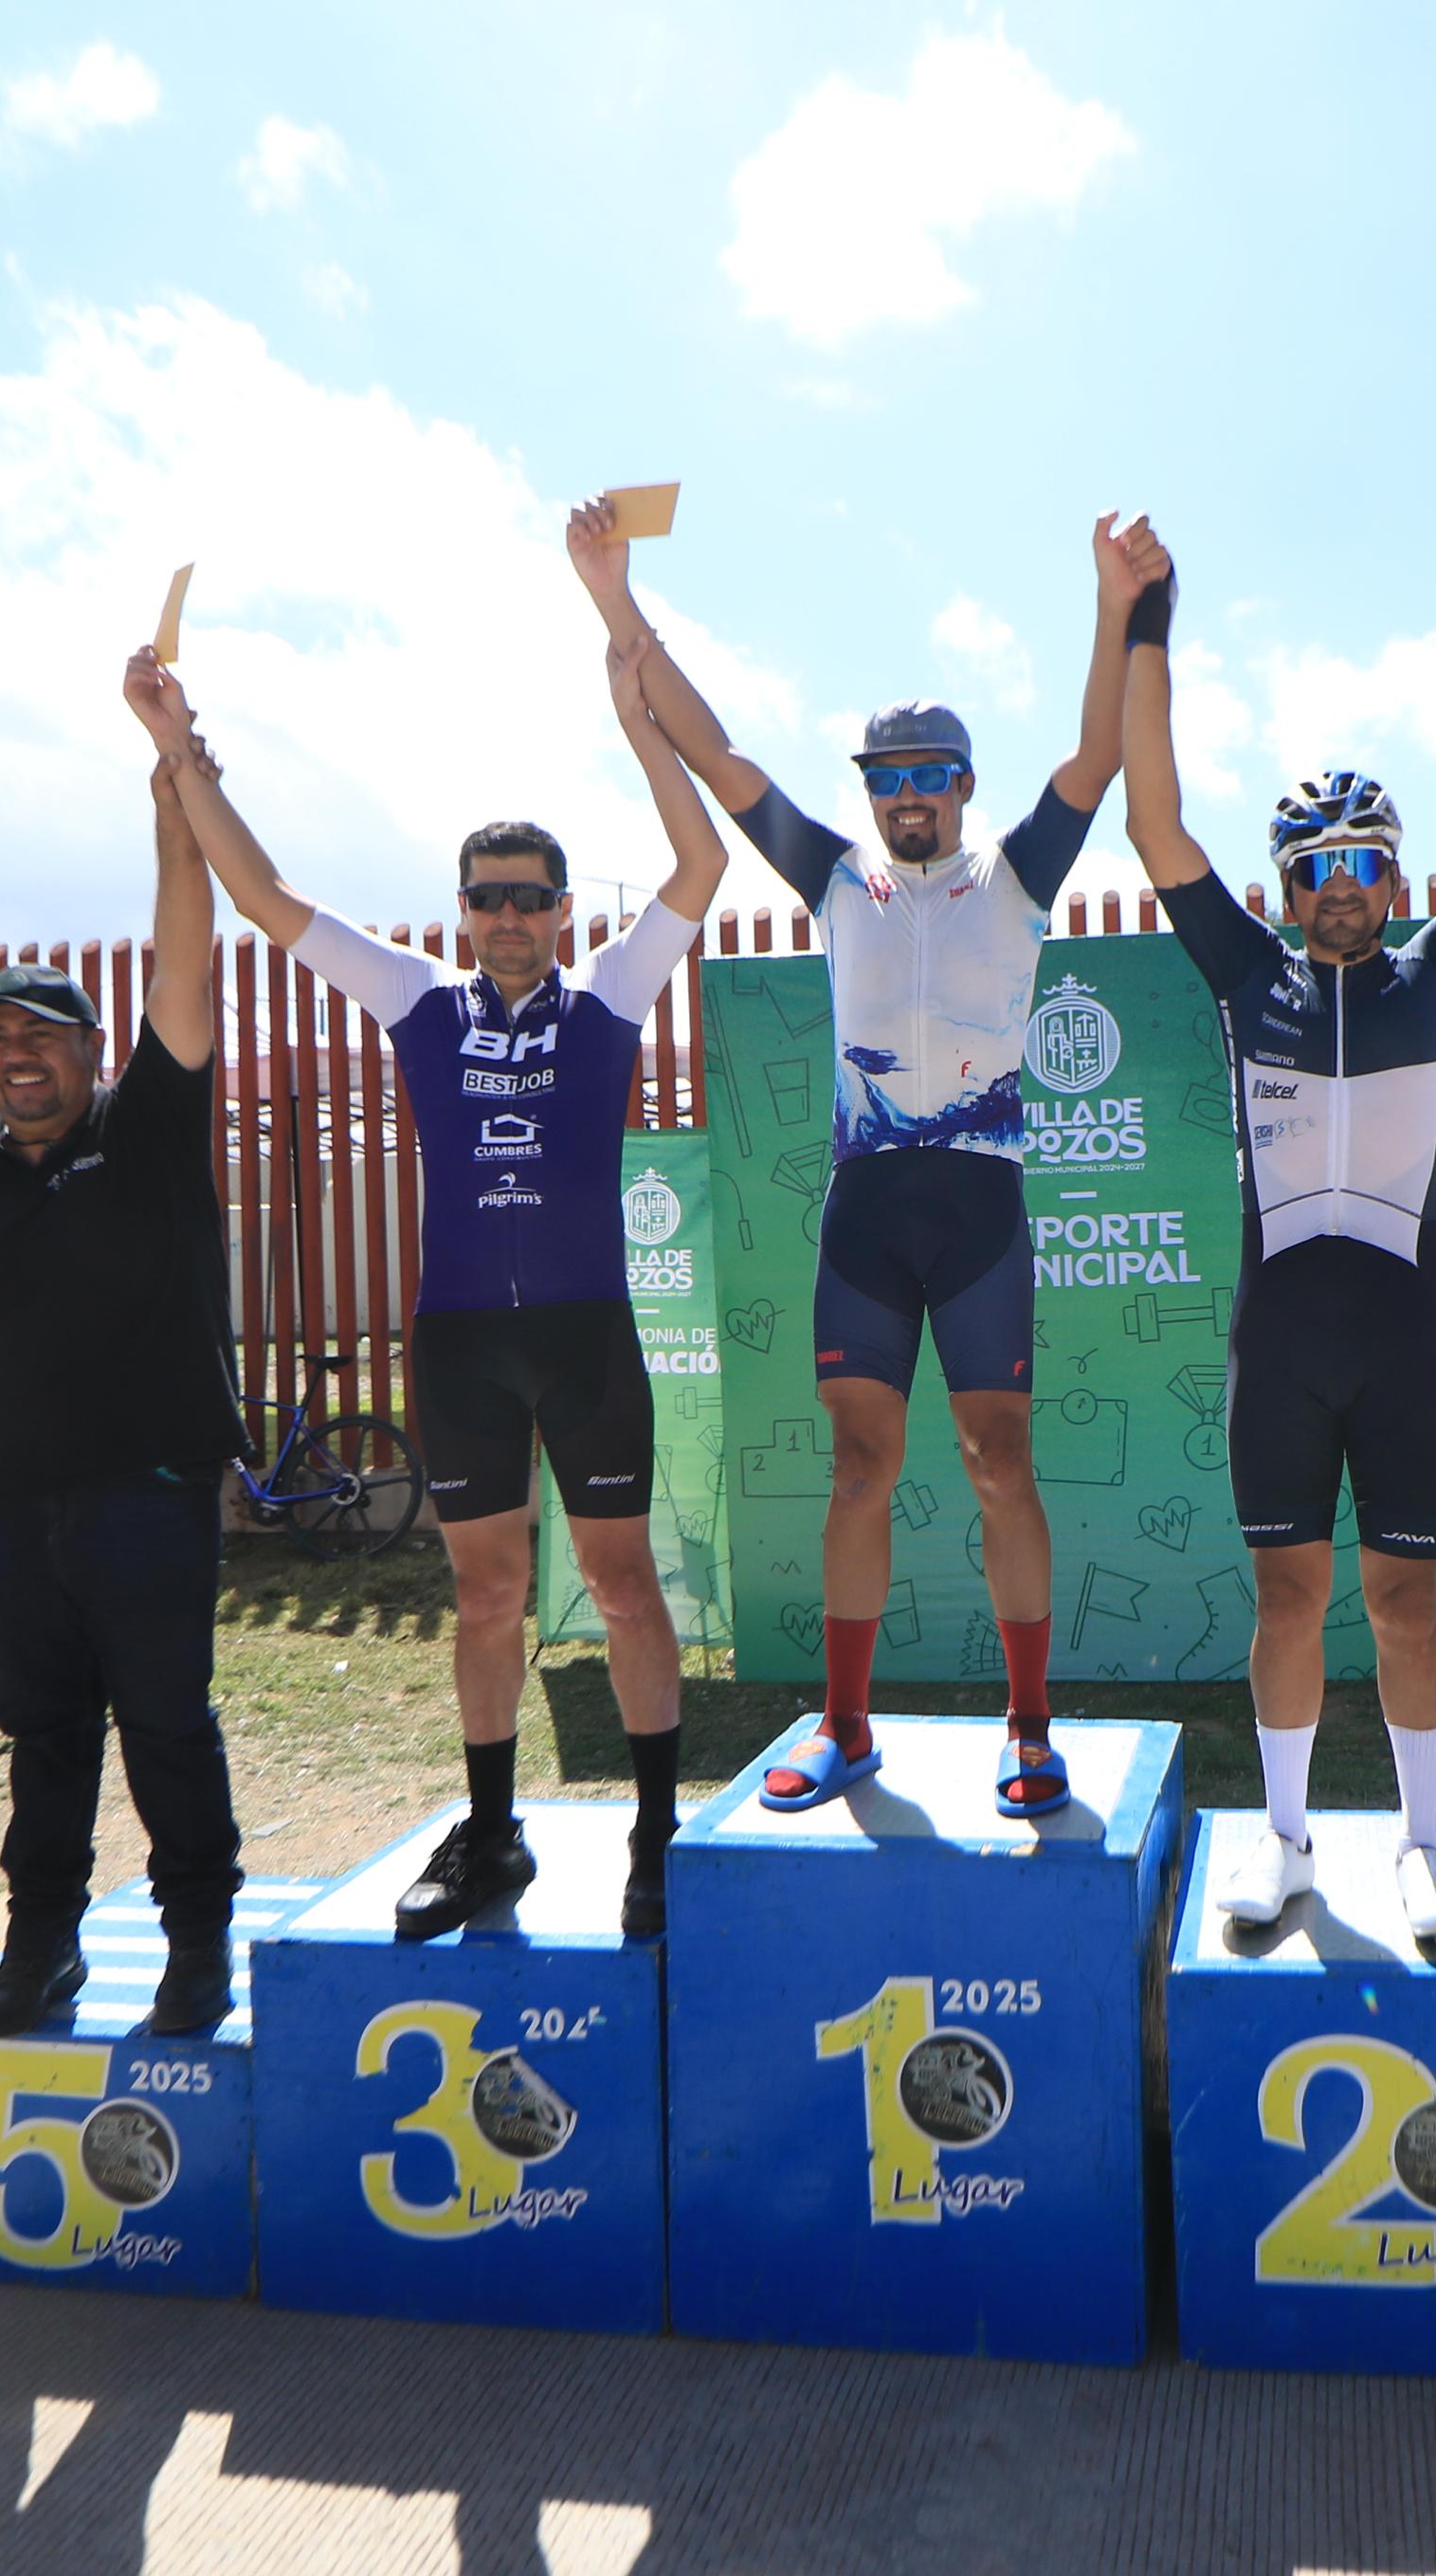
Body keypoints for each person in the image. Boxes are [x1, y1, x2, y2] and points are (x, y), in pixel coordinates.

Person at [127, 508, 726, 1939]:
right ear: (462, 914)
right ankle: (496, 1832)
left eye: (531, 898)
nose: (510, 917)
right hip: (459, 1343)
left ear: (566, 910)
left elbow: (699, 870)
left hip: (584, 1338)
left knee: (627, 1587)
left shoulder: (609, 998)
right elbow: (267, 899)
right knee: (485, 1598)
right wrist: (177, 752)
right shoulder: (419, 999)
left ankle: (655, 1833)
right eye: (488, 900)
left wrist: (638, 717)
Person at [574, 515, 1142, 1820]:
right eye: (887, 774)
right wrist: (617, 596)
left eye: (930, 772)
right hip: (868, 1214)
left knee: (1002, 1460)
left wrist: (1110, 604)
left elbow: (1098, 756)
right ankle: (845, 1723)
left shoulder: (1015, 879)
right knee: (859, 1471)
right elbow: (719, 760)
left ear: (962, 784)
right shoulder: (837, 881)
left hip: (981, 1207)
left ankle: (1030, 1723)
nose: (907, 792)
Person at [1117, 520, 1436, 1944]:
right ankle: (1284, 1845)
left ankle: (1419, 1846)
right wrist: (1148, 622)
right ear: (1287, 886)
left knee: (1404, 1603)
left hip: (1408, 1337)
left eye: (1365, 859)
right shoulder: (1244, 974)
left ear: (1396, 879)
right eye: (1315, 861)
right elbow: (1157, 823)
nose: (1341, 880)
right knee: (1287, 1595)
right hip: (1281, 1337)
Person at [0, 746, 247, 2038]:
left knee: (166, 1723)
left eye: (41, 1035)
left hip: (151, 1487)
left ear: (88, 1048)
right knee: (45, 1732)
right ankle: (41, 1949)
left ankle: (196, 1945)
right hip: (6, 1505)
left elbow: (183, 963)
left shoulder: (144, 1130)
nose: (17, 1056)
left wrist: (174, 816)